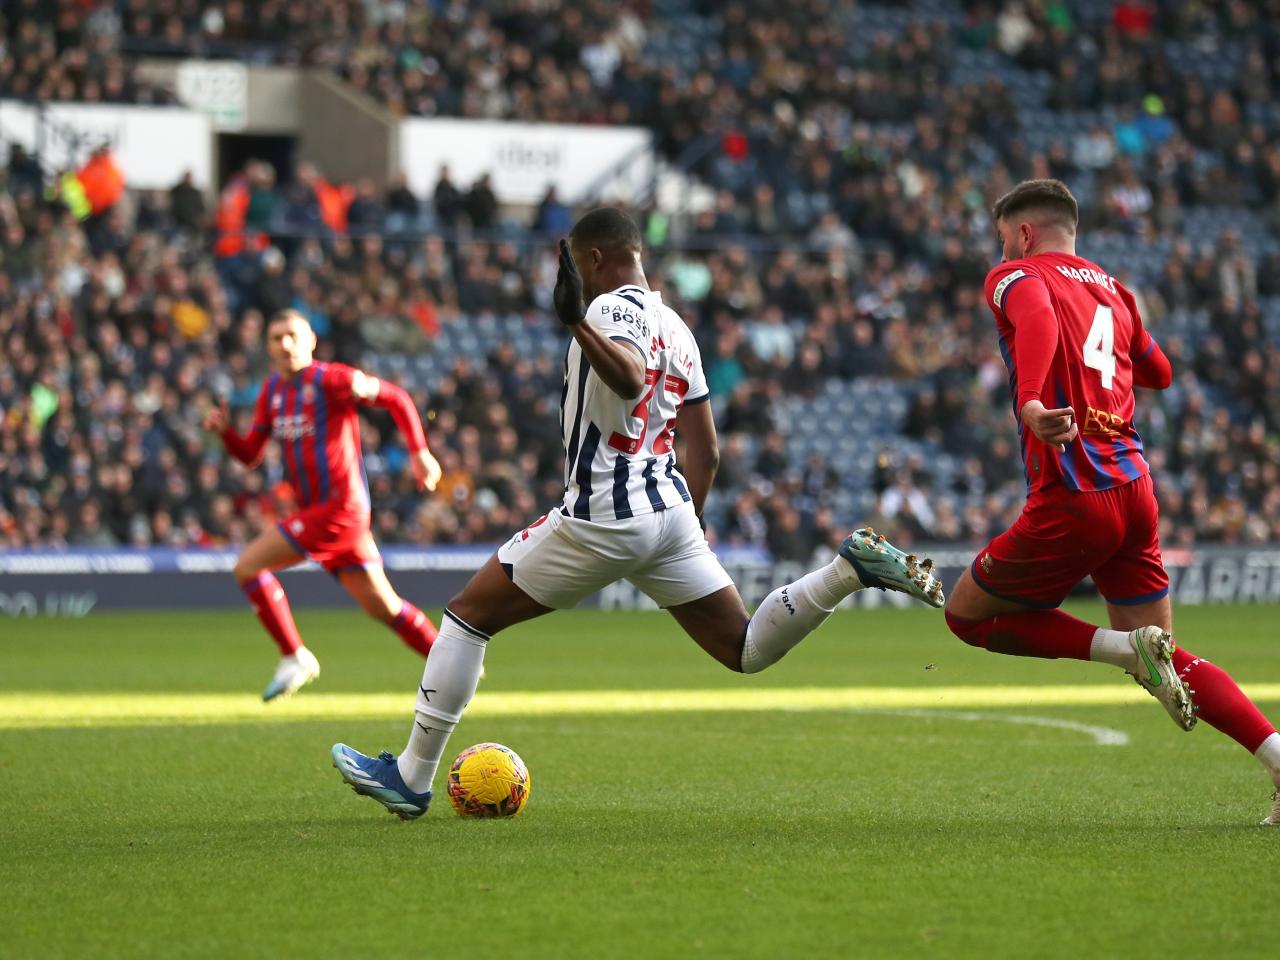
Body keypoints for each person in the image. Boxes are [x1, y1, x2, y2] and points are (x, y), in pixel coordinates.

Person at [330, 208, 945, 819]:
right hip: (670, 509)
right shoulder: (679, 327)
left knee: (467, 617)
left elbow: (625, 378)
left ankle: (412, 776)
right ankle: (846, 570)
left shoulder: (605, 308)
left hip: (603, 512)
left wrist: (576, 321)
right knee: (744, 648)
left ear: (594, 258)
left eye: (573, 262)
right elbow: (708, 448)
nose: (570, 276)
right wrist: (687, 530)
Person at [942, 179, 1280, 826]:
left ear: (1023, 233)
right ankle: (1277, 757)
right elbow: (1161, 373)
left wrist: (1035, 400)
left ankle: (1123, 651)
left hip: (1075, 491)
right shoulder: (1115, 289)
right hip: (1135, 489)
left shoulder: (1012, 274)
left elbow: (1038, 315)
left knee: (966, 616)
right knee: (1167, 653)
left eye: (1002, 238)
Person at [203, 309, 444, 701]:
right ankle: (452, 663)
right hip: (323, 513)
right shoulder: (272, 392)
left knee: (247, 566)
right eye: (275, 337)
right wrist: (227, 432)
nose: (284, 344)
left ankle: (295, 655)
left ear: (311, 340)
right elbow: (251, 455)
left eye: (292, 335)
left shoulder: (334, 379)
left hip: (339, 509)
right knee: (383, 607)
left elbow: (396, 397)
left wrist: (419, 452)